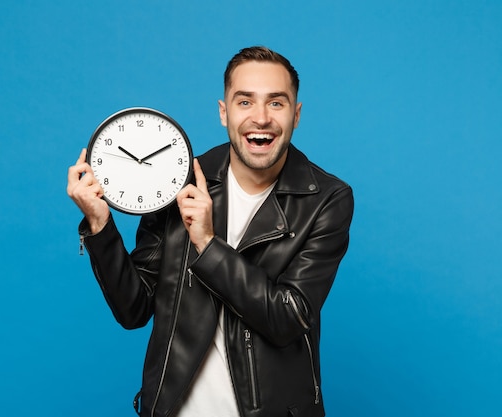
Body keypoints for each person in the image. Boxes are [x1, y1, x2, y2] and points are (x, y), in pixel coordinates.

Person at [67, 46, 354, 417]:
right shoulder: (175, 180)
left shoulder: (327, 199)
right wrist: (99, 226)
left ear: (296, 115)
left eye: (277, 103)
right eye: (245, 102)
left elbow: (287, 318)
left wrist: (206, 241)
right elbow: (134, 310)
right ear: (224, 113)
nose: (261, 118)